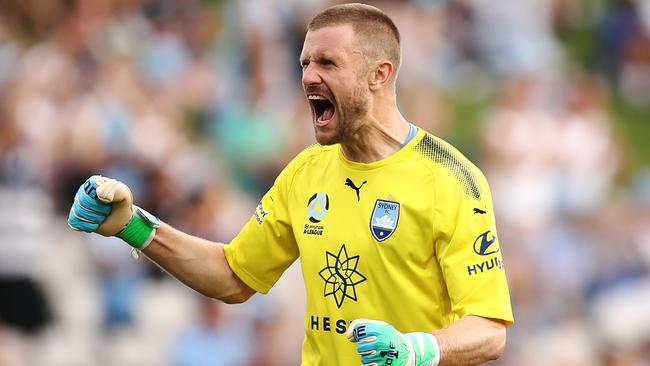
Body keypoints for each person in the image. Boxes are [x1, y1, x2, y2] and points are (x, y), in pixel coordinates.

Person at [68, 3, 513, 365]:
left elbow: (489, 330)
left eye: (327, 62)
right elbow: (232, 276)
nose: (307, 77)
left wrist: (418, 349)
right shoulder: (305, 172)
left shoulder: (450, 178)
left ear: (379, 75)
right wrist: (135, 226)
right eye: (304, 63)